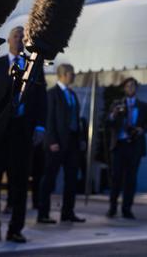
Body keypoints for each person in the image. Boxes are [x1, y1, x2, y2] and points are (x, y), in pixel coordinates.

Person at [0, 26, 47, 244]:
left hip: (22, 134)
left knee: (19, 185)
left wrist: (40, 128)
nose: (19, 40)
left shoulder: (34, 67)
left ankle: (15, 229)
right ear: (9, 40)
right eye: (16, 36)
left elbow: (41, 100)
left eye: (23, 37)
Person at [37, 63, 85, 224]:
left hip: (72, 142)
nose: (73, 76)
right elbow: (48, 118)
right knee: (49, 179)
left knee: (71, 179)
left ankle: (67, 212)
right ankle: (43, 213)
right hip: (56, 142)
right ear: (63, 74)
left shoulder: (72, 94)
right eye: (71, 73)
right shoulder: (52, 94)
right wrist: (51, 140)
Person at [104, 77, 147, 219]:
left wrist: (140, 130)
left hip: (135, 146)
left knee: (131, 179)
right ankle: (112, 208)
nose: (130, 88)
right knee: (116, 178)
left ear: (136, 88)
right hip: (119, 145)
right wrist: (114, 114)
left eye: (133, 85)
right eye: (128, 86)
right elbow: (108, 123)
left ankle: (127, 209)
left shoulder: (144, 106)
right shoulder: (116, 104)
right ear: (124, 88)